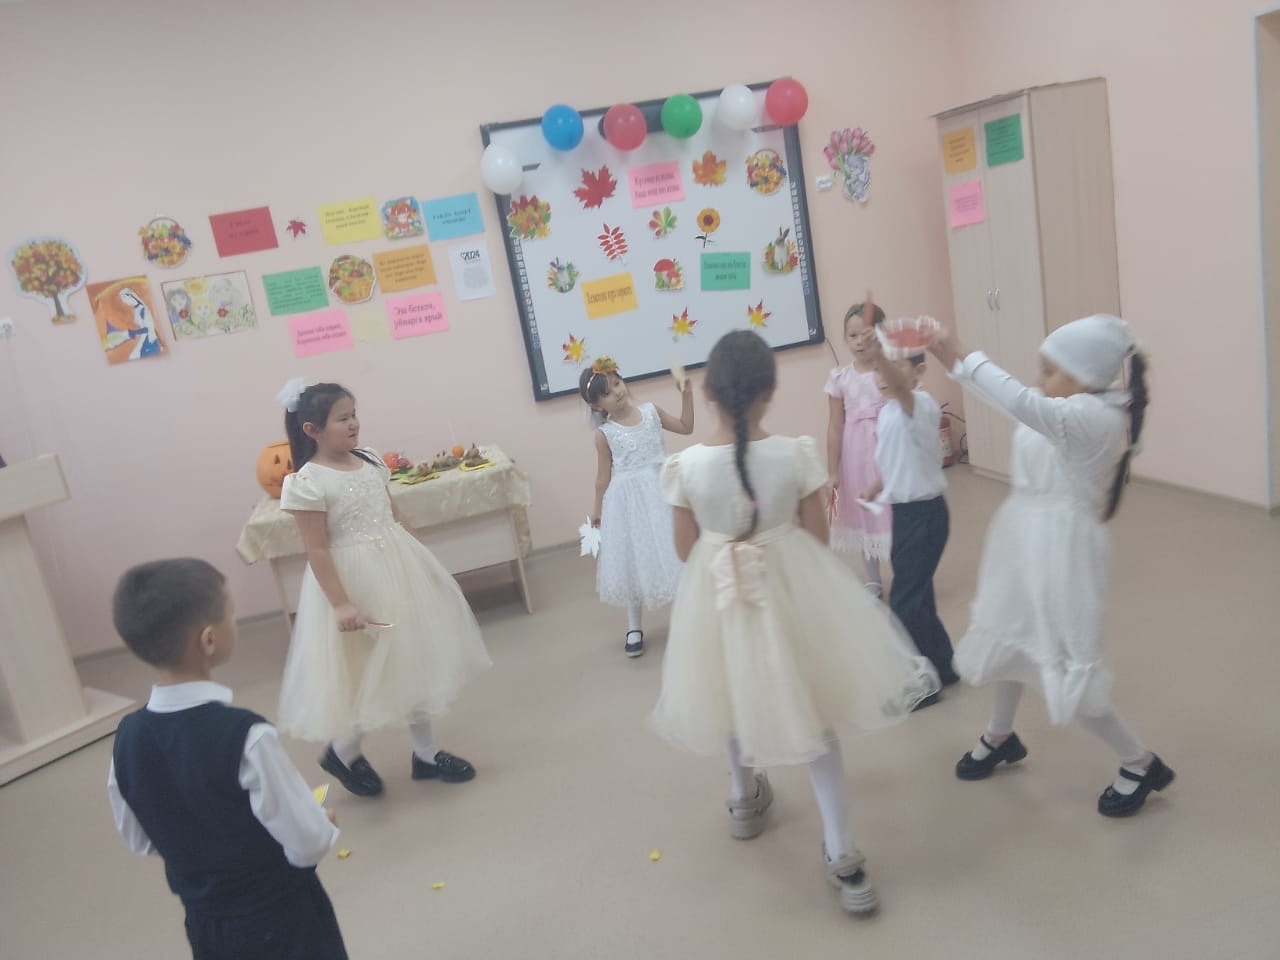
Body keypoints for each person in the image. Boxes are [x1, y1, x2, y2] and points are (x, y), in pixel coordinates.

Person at [651, 330, 937, 913]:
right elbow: (817, 537)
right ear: (770, 392)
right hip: (791, 591)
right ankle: (842, 849)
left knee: (729, 690)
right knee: (813, 708)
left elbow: (684, 550)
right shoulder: (796, 454)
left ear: (708, 393)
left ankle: (743, 798)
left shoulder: (686, 466)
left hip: (719, 597)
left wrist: (728, 548)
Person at [928, 314, 1175, 817]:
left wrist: (958, 352)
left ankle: (1140, 761)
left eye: (1050, 370)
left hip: (1062, 555)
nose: (1040, 379)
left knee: (1062, 660)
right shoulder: (1070, 406)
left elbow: (1019, 401)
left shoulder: (1095, 418)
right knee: (1010, 635)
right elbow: (1018, 404)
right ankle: (1000, 735)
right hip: (1024, 538)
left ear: (1084, 376)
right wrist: (950, 358)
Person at [107, 558, 348, 959]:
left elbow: (139, 839)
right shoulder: (247, 736)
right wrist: (321, 823)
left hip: (205, 924)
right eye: (231, 614)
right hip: (283, 917)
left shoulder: (127, 739)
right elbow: (306, 843)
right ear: (208, 640)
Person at [276, 379, 490, 797]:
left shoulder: (371, 460)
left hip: (397, 567)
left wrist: (422, 561)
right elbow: (316, 549)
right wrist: (341, 604)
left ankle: (425, 754)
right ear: (312, 430)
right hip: (352, 582)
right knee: (365, 672)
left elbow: (394, 515)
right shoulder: (308, 481)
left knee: (413, 657)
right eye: (342, 418)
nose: (353, 423)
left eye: (354, 414)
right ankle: (343, 752)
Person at [863, 321, 958, 700]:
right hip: (905, 514)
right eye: (876, 369)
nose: (881, 375)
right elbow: (897, 457)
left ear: (919, 371)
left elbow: (901, 390)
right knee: (917, 595)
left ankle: (922, 684)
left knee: (904, 601)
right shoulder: (888, 410)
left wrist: (878, 355)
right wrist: (878, 483)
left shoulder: (920, 404)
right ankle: (943, 665)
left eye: (893, 366)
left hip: (925, 515)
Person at [580, 356, 692, 657]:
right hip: (629, 502)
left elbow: (686, 426)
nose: (617, 392)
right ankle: (633, 625)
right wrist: (598, 511)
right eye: (606, 392)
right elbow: (602, 478)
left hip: (663, 492)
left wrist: (687, 394)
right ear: (597, 406)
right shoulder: (605, 435)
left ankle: (688, 615)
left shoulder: (652, 412)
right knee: (634, 559)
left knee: (675, 550)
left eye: (617, 383)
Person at [825, 300, 893, 596]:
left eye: (866, 335)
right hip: (856, 457)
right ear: (845, 338)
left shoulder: (891, 373)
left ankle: (906, 571)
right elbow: (834, 426)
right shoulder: (840, 378)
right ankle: (873, 577)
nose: (859, 342)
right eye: (852, 336)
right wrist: (832, 471)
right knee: (864, 514)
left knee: (893, 511)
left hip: (888, 453)